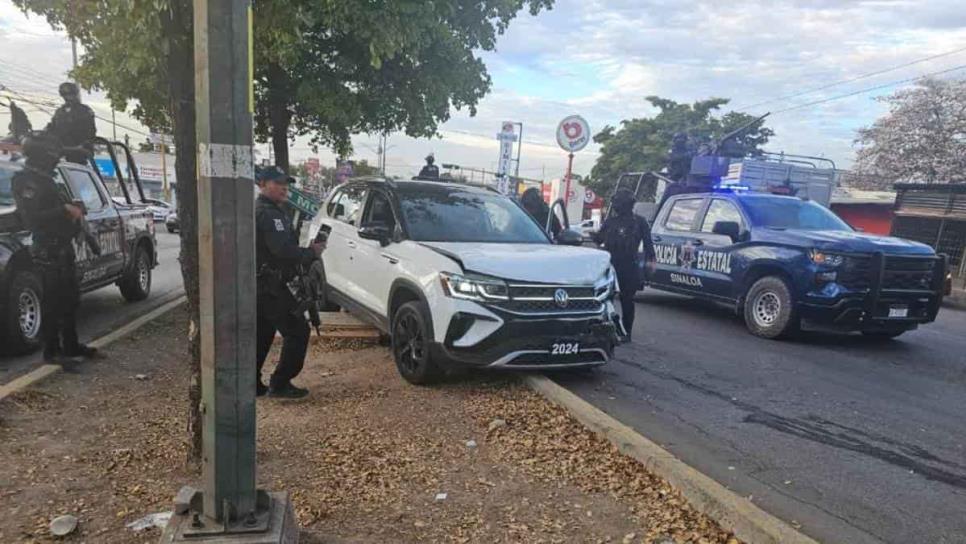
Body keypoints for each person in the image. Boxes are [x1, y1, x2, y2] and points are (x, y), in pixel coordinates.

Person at [11, 133, 98, 362]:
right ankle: (53, 351)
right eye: (52, 155)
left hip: (63, 247)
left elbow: (61, 208)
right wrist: (64, 210)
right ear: (42, 155)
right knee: (52, 302)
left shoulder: (48, 179)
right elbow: (31, 219)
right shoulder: (25, 181)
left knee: (70, 299)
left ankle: (71, 345)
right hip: (47, 250)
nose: (55, 159)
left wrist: (75, 213)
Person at [255, 166, 324, 399]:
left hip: (264, 284)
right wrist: (310, 253)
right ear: (262, 183)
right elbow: (283, 250)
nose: (285, 187)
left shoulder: (273, 210)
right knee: (297, 331)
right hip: (270, 286)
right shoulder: (268, 213)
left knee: (263, 333)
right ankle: (280, 382)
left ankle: (251, 383)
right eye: (278, 183)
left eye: (286, 183)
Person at [594, 189, 655, 343]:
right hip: (614, 267)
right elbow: (599, 238)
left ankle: (625, 332)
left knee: (622, 300)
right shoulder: (613, 222)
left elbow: (649, 247)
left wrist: (649, 265)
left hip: (623, 267)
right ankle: (615, 331)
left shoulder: (638, 222)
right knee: (611, 300)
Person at [46, 82, 96, 164]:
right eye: (65, 95)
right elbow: (52, 128)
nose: (69, 97)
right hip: (60, 150)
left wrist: (83, 145)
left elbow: (91, 132)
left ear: (75, 94)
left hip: (78, 151)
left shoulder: (84, 111)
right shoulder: (60, 112)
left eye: (71, 95)